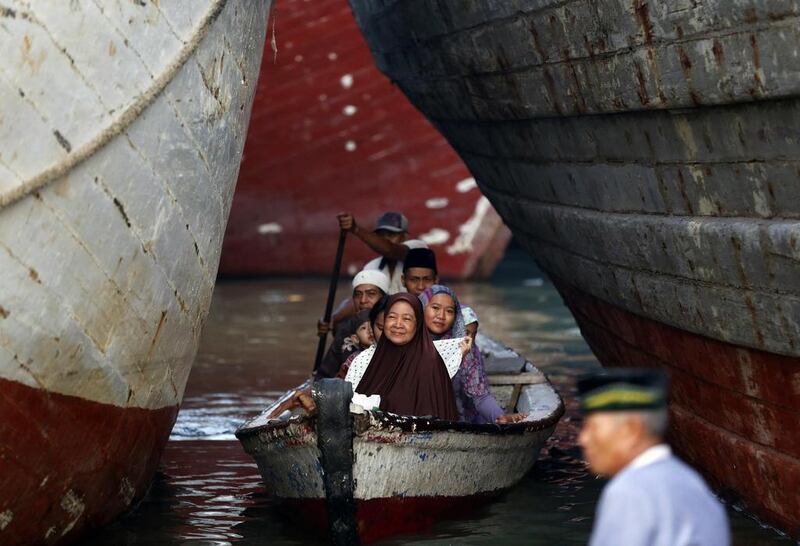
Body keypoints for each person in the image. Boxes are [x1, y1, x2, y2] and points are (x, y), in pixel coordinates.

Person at [578, 369, 730, 546]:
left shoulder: (629, 491)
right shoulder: (694, 485)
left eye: (593, 427)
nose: (583, 439)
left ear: (631, 430)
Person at [345, 293, 472, 420]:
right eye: (392, 317)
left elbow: (426, 415)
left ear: (418, 325)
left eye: (406, 319)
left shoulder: (429, 363)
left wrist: (379, 403)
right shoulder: (372, 359)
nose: (398, 324)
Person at [419, 285, 524, 425]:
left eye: (449, 311)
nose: (441, 316)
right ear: (422, 308)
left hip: (452, 417)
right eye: (435, 308)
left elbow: (479, 395)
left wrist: (499, 417)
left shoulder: (464, 345)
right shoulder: (409, 338)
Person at [315, 269, 389, 379]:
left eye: (371, 294)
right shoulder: (346, 328)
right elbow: (325, 373)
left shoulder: (393, 328)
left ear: (383, 298)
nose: (363, 300)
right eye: (358, 295)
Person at [338, 211, 428, 294]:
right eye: (381, 236)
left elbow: (390, 249)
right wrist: (336, 312)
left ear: (405, 237)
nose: (385, 239)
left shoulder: (418, 248)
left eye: (391, 234)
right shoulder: (371, 267)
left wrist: (356, 229)